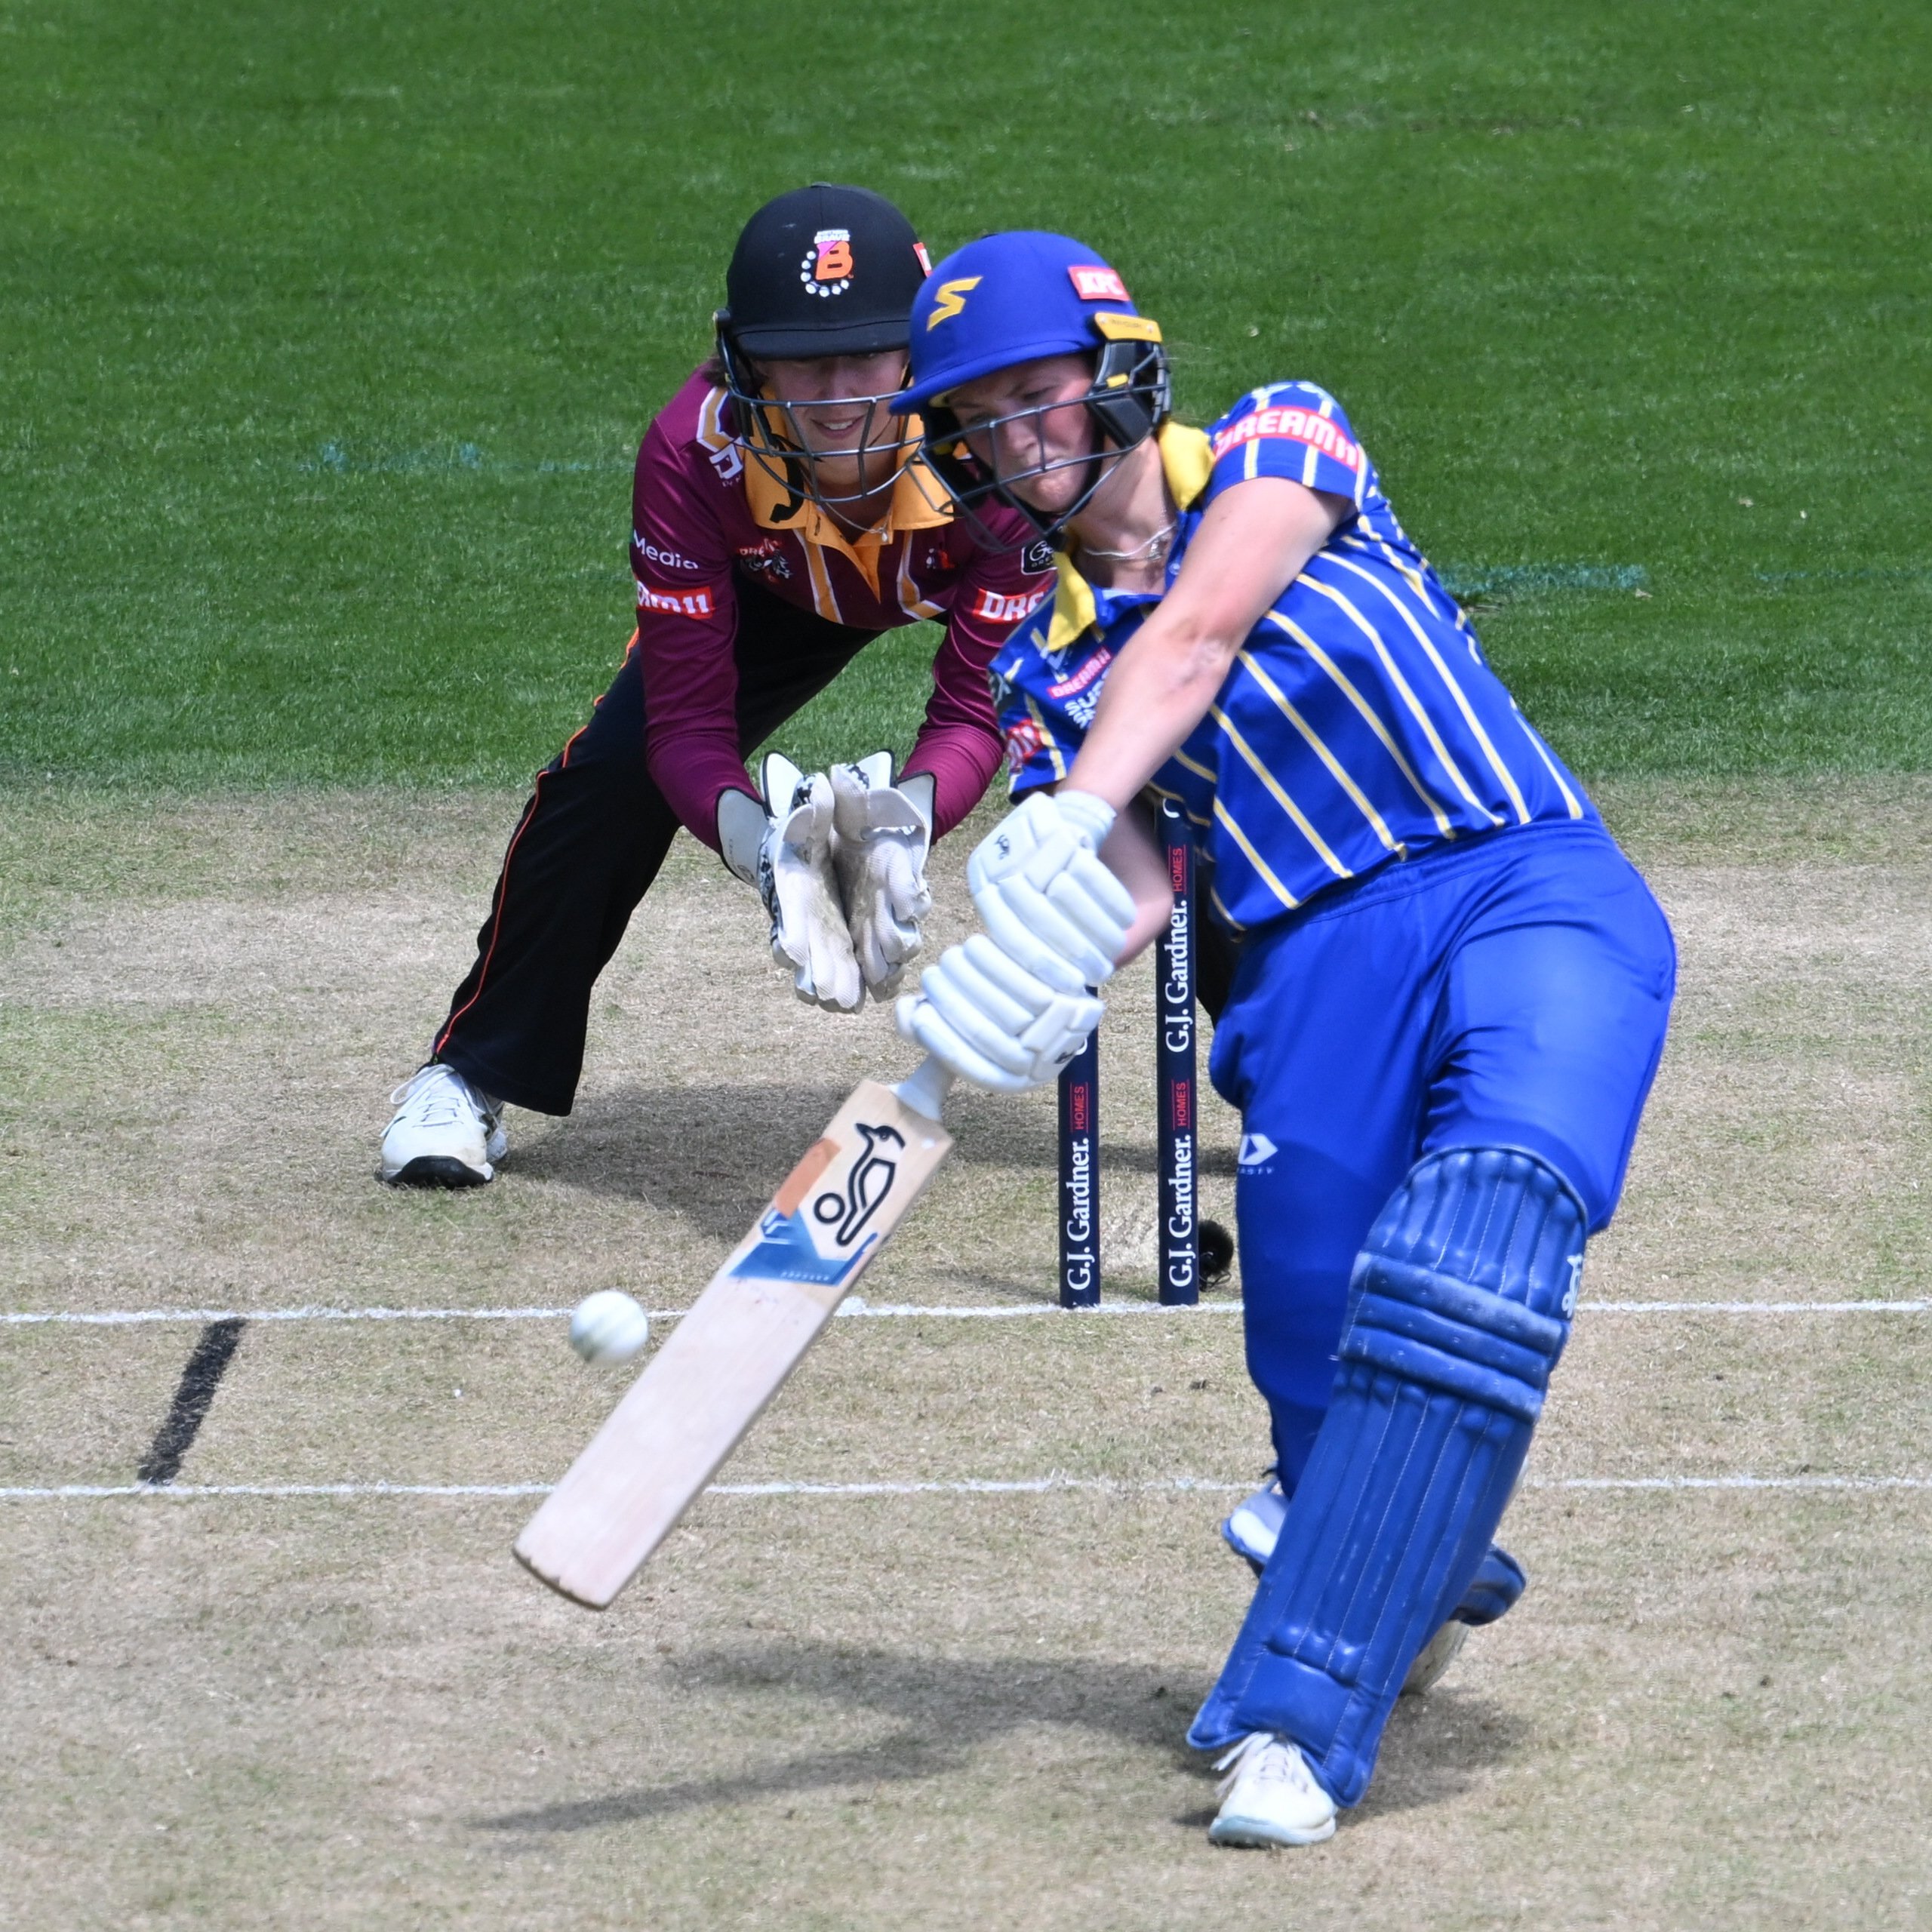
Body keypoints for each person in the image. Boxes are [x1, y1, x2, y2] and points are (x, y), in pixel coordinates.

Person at [889, 232, 1676, 1844]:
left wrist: (1079, 804)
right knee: (1317, 1350)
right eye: (976, 423)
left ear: (1117, 373)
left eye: (1036, 397)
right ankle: (1417, 1555)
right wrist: (1021, 968)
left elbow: (1192, 641)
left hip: (1518, 885)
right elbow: (1120, 886)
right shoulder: (1045, 665)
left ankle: (1297, 1720)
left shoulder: (1279, 439)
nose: (1016, 443)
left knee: (1476, 1247)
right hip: (1308, 982)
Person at [379, 185, 1052, 1186]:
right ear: (744, 360)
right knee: (604, 778)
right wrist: (764, 850)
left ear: (916, 355)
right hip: (772, 579)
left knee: (1171, 771)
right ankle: (467, 1076)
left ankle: (1307, 1085)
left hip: (952, 559)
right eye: (801, 362)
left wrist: (908, 820)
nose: (836, 395)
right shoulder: (692, 452)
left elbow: (973, 706)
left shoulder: (993, 450)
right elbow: (686, 726)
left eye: (865, 356)